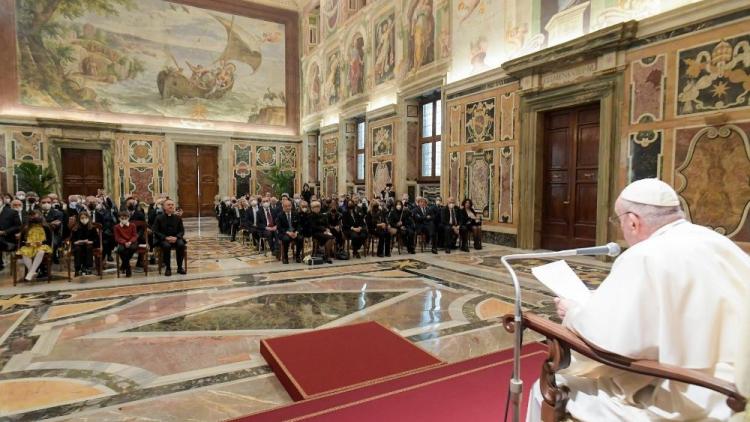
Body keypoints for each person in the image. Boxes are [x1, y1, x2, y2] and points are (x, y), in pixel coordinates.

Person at [528, 179, 750, 421]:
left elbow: (611, 345)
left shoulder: (645, 255)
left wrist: (574, 313)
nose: (621, 229)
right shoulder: (719, 243)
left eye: (619, 222)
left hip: (688, 399)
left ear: (633, 221)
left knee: (548, 389)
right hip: (737, 390)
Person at [152, 199, 186, 276]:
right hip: (163, 239)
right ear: (164, 207)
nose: (171, 206)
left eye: (172, 204)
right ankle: (168, 268)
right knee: (166, 246)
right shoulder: (159, 218)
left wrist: (176, 237)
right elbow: (155, 231)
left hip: (175, 238)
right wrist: (165, 238)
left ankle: (180, 267)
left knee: (181, 244)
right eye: (168, 205)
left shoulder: (178, 218)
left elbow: (182, 231)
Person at [18, 210, 53, 281]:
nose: (33, 217)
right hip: (29, 246)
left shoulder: (46, 227)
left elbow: (49, 240)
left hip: (42, 245)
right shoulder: (25, 227)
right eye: (31, 215)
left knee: (41, 252)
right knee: (24, 253)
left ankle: (30, 272)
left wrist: (42, 242)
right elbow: (22, 241)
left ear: (40, 215)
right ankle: (32, 271)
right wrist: (26, 243)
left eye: (35, 215)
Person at [70, 211, 99, 276]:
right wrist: (77, 242)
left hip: (89, 244)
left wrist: (91, 241)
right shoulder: (75, 228)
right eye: (82, 218)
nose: (84, 219)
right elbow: (73, 239)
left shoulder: (92, 228)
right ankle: (78, 268)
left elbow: (96, 239)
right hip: (78, 245)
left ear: (88, 218)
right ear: (79, 219)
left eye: (85, 218)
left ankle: (87, 267)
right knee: (78, 249)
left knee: (88, 247)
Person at [277, 199, 303, 264]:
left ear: (291, 206)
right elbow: (279, 228)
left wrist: (296, 232)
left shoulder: (295, 214)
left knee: (300, 238)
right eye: (286, 206)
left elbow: (299, 225)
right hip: (285, 233)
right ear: (283, 207)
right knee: (286, 239)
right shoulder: (280, 215)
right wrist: (288, 233)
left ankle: (297, 255)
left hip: (294, 232)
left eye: (289, 206)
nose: (288, 207)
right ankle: (285, 257)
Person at [114, 211, 138, 277]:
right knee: (121, 250)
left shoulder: (132, 225)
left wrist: (130, 242)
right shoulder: (116, 227)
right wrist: (124, 242)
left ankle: (124, 265)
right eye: (122, 218)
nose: (124, 219)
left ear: (128, 218)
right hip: (122, 242)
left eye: (126, 218)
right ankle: (128, 267)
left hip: (132, 242)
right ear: (119, 218)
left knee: (132, 248)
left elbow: (134, 236)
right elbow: (117, 238)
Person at [0, 199, 22, 271]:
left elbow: (18, 226)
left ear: (2, 200)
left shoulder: (12, 212)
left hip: (8, 239)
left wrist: (5, 232)